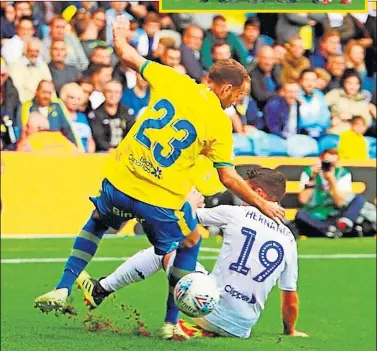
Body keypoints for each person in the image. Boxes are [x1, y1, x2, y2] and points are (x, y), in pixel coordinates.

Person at [34, 16, 284, 341]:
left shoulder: (174, 79)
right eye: (237, 94)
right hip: (160, 198)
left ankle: (63, 287)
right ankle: (170, 323)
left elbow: (125, 54)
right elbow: (227, 176)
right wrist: (262, 202)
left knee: (97, 221)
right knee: (191, 239)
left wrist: (120, 32)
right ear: (225, 87)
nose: (238, 99)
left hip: (122, 180)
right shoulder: (220, 124)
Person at [77, 167, 308, 340]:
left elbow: (181, 216)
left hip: (209, 308)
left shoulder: (236, 213)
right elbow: (290, 298)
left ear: (259, 193)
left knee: (167, 251)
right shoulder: (289, 239)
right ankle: (207, 332)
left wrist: (188, 203)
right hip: (242, 327)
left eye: (245, 190)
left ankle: (100, 290)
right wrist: (290, 331)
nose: (241, 194)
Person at [295, 148, 366, 238]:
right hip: (315, 214)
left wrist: (332, 181)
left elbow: (340, 203)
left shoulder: (343, 174)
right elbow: (303, 200)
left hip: (335, 213)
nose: (329, 166)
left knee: (359, 200)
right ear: (321, 160)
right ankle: (331, 230)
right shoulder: (309, 172)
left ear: (337, 163)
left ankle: (342, 225)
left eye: (333, 163)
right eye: (327, 163)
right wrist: (312, 179)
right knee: (301, 215)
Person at [20, 80, 82, 148]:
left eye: (49, 93)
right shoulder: (28, 106)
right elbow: (23, 131)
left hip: (56, 147)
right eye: (44, 92)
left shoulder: (57, 106)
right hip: (35, 147)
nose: (46, 96)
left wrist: (78, 148)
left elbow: (68, 129)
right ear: (37, 92)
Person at [88, 80, 135, 152]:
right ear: (103, 93)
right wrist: (110, 149)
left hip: (125, 152)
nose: (113, 95)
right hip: (104, 153)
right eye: (109, 91)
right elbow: (99, 138)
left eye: (116, 92)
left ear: (121, 94)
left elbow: (132, 134)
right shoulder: (95, 115)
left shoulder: (128, 112)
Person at [326, 69, 373, 135]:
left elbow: (367, 121)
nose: (353, 87)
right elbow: (321, 108)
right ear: (344, 83)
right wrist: (331, 118)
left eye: (356, 83)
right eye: (349, 83)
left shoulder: (362, 100)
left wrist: (356, 121)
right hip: (335, 133)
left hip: (354, 135)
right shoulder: (335, 94)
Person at [8, 37, 52, 103]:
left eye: (36, 51)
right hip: (22, 102)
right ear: (25, 51)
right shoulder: (16, 65)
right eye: (31, 51)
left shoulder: (43, 65)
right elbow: (17, 88)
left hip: (41, 102)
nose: (34, 54)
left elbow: (49, 84)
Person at [60, 82, 95, 153]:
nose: (75, 101)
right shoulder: (59, 116)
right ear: (64, 97)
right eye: (72, 98)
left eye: (78, 99)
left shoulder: (82, 117)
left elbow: (89, 139)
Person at [249, 46, 281, 111]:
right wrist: (279, 94)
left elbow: (283, 86)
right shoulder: (253, 75)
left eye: (271, 58)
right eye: (265, 58)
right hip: (261, 111)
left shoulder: (277, 70)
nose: (268, 62)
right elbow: (260, 96)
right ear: (258, 58)